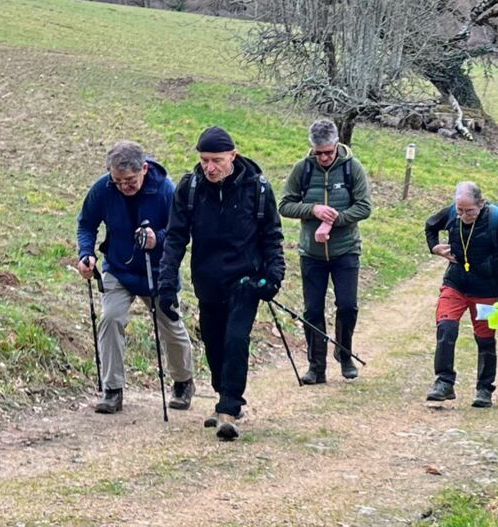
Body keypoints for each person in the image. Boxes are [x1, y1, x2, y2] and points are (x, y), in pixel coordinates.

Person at [156, 125, 285, 440]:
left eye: (217, 160)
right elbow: (175, 238)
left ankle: (228, 408)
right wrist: (166, 282)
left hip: (246, 280)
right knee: (214, 343)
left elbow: (272, 236)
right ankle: (223, 395)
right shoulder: (190, 189)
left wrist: (274, 276)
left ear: (233, 156)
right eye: (204, 160)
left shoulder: (258, 188)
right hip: (208, 280)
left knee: (235, 339)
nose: (210, 167)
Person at [76, 140, 196, 414]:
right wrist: (86, 254)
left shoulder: (165, 190)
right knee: (111, 318)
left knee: (171, 326)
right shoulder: (103, 188)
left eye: (129, 181)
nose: (123, 186)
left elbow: (180, 231)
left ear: (144, 169)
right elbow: (86, 224)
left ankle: (183, 381)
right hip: (118, 268)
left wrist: (158, 239)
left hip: (159, 270)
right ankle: (112, 389)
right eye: (117, 181)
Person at [278, 118, 372, 383]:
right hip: (312, 253)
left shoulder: (352, 168)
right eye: (318, 153)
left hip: (346, 250)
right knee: (313, 311)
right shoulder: (303, 169)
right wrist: (313, 209)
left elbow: (364, 207)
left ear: (337, 144)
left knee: (348, 306)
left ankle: (344, 353)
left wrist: (333, 219)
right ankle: (316, 367)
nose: (324, 158)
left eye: (328, 152)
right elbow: (284, 205)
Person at [423, 180, 498, 408]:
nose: (464, 216)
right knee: (446, 328)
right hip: (455, 284)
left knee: (485, 339)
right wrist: (434, 247)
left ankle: (484, 389)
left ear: (481, 204)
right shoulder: (451, 214)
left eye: (470, 211)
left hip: (486, 290)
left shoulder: (496, 221)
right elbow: (430, 226)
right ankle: (444, 382)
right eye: (460, 210)